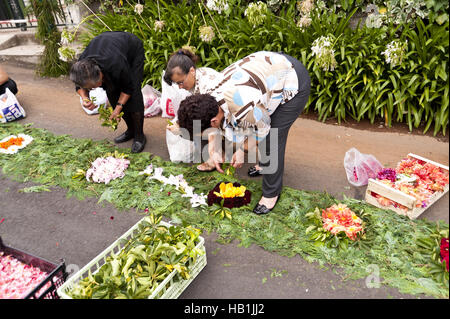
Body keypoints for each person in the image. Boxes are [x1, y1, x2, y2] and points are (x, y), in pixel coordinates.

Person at [177, 51, 311, 215]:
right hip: (264, 73)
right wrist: (214, 150)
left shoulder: (243, 108)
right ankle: (263, 165)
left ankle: (271, 194)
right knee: (257, 125)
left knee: (272, 137)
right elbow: (216, 128)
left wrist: (242, 151)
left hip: (290, 78)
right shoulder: (207, 98)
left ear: (213, 121)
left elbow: (263, 128)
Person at [69, 31, 146, 153]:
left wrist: (118, 108)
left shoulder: (116, 64)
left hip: (132, 50)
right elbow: (79, 86)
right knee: (112, 92)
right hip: (108, 48)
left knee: (134, 95)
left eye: (94, 86)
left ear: (100, 75)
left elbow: (128, 88)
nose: (93, 89)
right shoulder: (81, 67)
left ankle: (139, 136)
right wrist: (85, 99)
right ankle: (130, 130)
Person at [163, 47, 224, 169]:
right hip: (216, 116)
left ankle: (215, 156)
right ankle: (216, 151)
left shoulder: (208, 87)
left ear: (191, 71)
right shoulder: (196, 77)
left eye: (181, 82)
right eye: (177, 84)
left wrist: (182, 129)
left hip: (222, 114)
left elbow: (213, 119)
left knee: (190, 129)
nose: (180, 87)